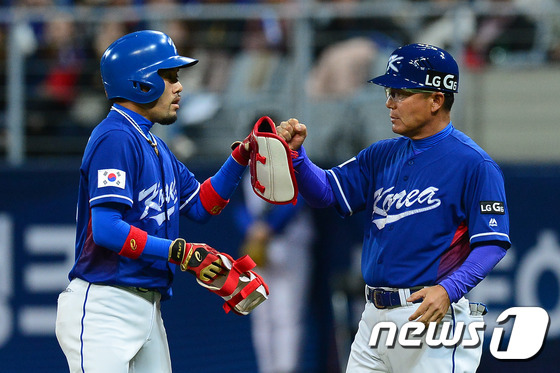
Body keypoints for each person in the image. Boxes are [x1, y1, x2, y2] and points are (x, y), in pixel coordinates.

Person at [276, 43, 510, 372]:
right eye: (389, 92)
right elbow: (327, 193)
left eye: (401, 93)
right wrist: (297, 158)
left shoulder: (474, 164)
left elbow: (492, 243)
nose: (389, 103)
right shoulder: (381, 155)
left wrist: (448, 290)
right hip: (374, 318)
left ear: (436, 99)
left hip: (432, 320)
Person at [55, 30, 257, 373]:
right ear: (141, 82)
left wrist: (242, 155)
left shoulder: (154, 145)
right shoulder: (116, 137)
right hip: (106, 305)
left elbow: (202, 205)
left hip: (147, 307)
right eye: (170, 76)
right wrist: (179, 253)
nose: (179, 87)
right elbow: (106, 229)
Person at [234, 172, 315, 373]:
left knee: (288, 314)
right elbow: (236, 203)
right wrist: (251, 228)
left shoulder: (293, 160)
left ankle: (286, 369)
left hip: (291, 243)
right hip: (258, 246)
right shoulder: (248, 165)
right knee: (261, 315)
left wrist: (270, 227)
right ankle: (267, 369)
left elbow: (300, 197)